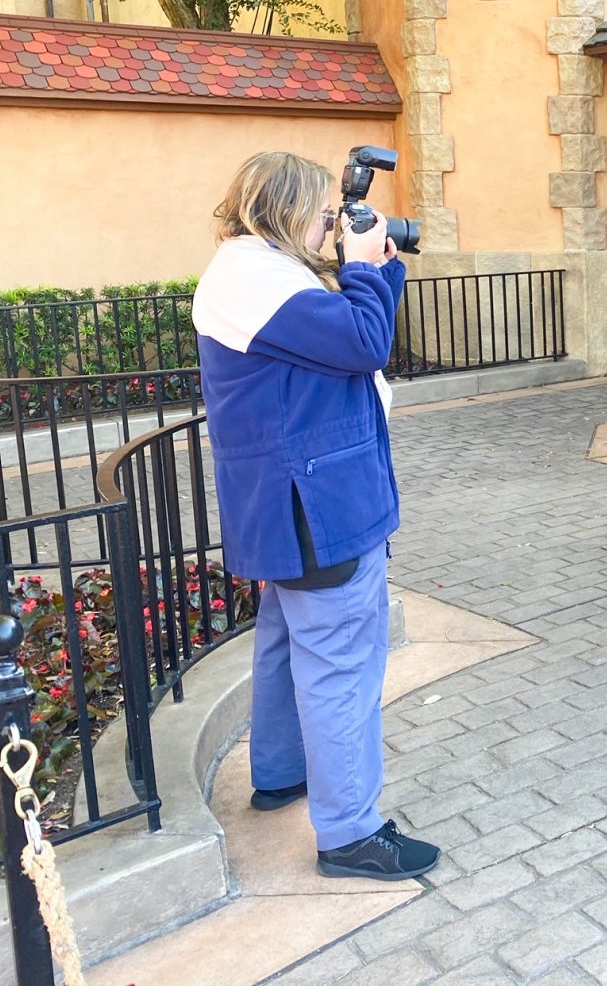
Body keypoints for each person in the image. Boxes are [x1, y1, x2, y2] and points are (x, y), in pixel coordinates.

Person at [193, 151, 440, 879]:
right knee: (343, 664)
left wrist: (379, 267)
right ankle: (351, 833)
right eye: (324, 213)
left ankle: (280, 773)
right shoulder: (260, 279)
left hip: (294, 497)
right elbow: (364, 341)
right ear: (282, 210)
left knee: (283, 640)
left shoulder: (253, 272)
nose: (333, 224)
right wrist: (363, 268)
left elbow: (350, 335)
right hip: (317, 502)